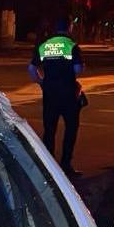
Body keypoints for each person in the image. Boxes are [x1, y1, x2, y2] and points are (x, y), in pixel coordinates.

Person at [30, 18, 84, 177]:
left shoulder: (44, 45)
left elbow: (31, 68)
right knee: (71, 129)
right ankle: (66, 164)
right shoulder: (72, 45)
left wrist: (41, 81)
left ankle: (48, 166)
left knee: (49, 130)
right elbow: (77, 69)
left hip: (50, 93)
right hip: (68, 94)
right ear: (69, 28)